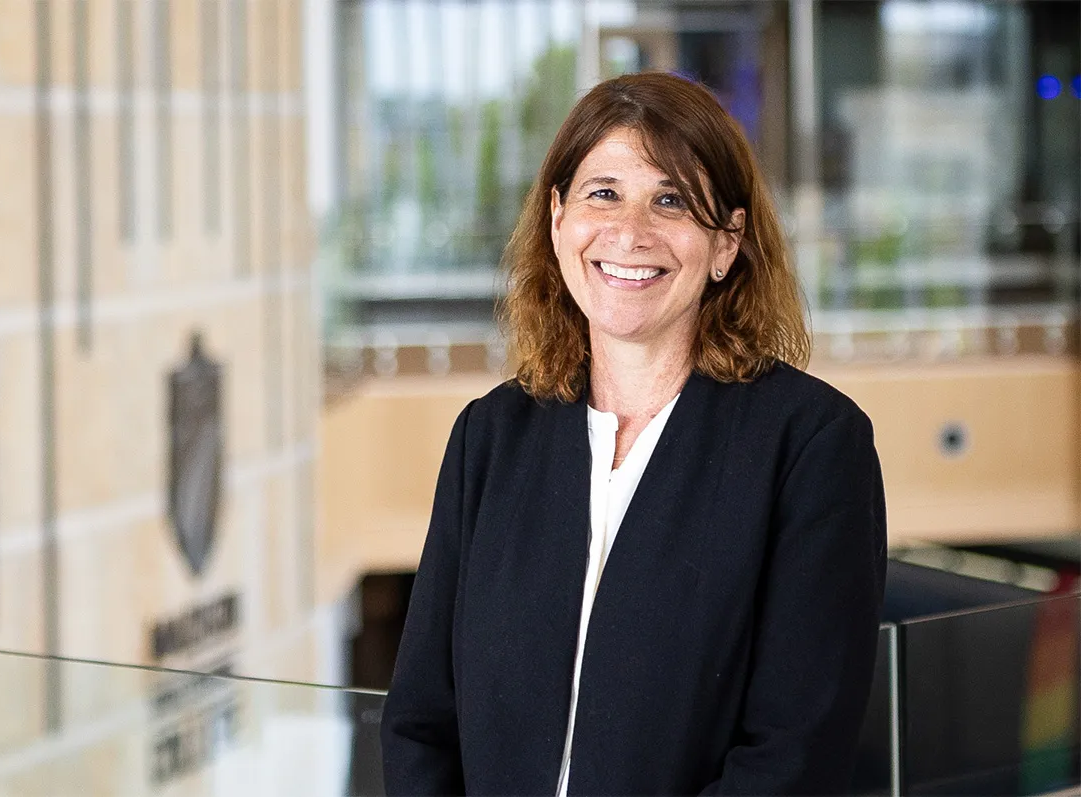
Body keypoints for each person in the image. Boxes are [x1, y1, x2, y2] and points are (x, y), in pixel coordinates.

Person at [380, 71, 887, 796]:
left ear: (726, 243)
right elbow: (420, 722)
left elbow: (791, 755)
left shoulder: (810, 445)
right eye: (603, 192)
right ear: (558, 221)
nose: (629, 231)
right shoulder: (489, 439)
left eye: (671, 199)